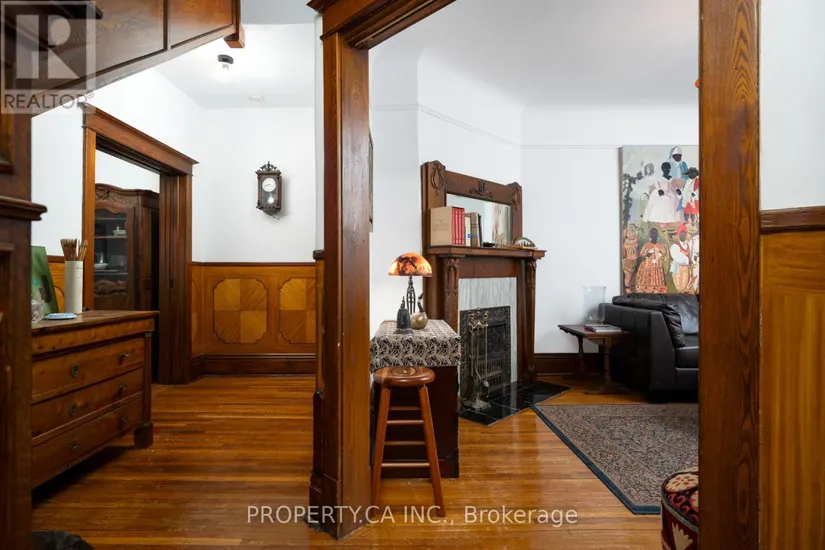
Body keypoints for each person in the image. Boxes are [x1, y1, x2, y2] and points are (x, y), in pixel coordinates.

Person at [634, 228, 668, 293]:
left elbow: (664, 253)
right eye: (652, 233)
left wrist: (660, 253)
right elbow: (642, 254)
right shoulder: (646, 245)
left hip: (658, 267)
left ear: (657, 235)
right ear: (650, 235)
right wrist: (648, 253)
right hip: (647, 266)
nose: (654, 235)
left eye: (655, 233)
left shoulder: (660, 245)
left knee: (658, 286)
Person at [670, 224, 695, 294]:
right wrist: (687, 260)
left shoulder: (687, 245)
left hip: (686, 268)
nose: (684, 236)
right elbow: (677, 258)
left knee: (687, 285)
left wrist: (690, 261)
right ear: (678, 235)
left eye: (685, 234)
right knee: (681, 287)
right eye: (682, 234)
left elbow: (688, 255)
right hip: (679, 269)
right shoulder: (675, 246)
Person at [621, 225, 640, 293]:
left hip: (635, 260)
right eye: (629, 233)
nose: (632, 234)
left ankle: (632, 287)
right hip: (628, 261)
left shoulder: (636, 241)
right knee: (628, 276)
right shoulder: (626, 242)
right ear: (626, 235)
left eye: (633, 232)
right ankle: (627, 288)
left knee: (634, 276)